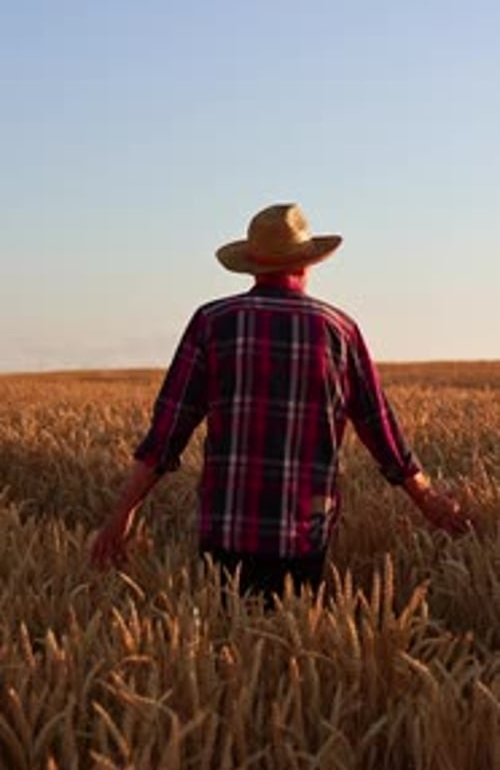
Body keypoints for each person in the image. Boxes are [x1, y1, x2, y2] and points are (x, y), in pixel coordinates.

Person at [91, 204, 470, 600]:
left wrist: (122, 514)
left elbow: (166, 434)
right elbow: (380, 428)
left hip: (227, 524)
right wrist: (427, 498)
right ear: (307, 265)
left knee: (227, 644)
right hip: (305, 530)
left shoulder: (213, 322)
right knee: (292, 649)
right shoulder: (339, 330)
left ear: (252, 265)